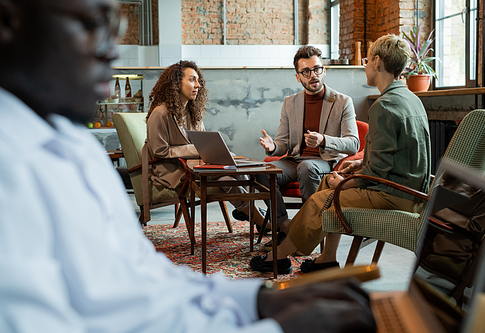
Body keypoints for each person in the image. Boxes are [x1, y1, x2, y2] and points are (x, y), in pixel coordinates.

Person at [0, 0, 377, 332]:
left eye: (114, 28)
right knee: (266, 173)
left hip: (319, 161)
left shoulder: (75, 148)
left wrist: (256, 302)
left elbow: (140, 279)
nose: (110, 49)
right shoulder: (11, 170)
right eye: (88, 22)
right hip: (197, 171)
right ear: (9, 22)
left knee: (253, 174)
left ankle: (279, 230)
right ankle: (278, 227)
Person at [250, 34, 431, 274]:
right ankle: (327, 257)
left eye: (367, 61)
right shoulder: (411, 99)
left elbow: (373, 167)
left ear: (377, 63)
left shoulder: (383, 106)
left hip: (392, 194)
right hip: (410, 189)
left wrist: (345, 182)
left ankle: (280, 256)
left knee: (319, 199)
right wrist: (357, 168)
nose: (366, 66)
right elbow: (389, 157)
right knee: (326, 182)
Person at [256, 45, 360, 247]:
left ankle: (309, 230)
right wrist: (272, 148)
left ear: (324, 70)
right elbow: (283, 143)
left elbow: (353, 144)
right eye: (306, 71)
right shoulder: (290, 103)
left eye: (317, 69)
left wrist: (324, 140)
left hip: (324, 162)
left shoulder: (343, 102)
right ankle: (285, 227)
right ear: (298, 77)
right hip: (295, 160)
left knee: (307, 167)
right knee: (264, 170)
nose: (313, 75)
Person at [145, 60, 265, 228]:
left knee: (229, 172)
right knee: (228, 177)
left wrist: (217, 153)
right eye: (192, 79)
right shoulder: (160, 113)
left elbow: (204, 144)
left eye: (198, 80)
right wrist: (196, 151)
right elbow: (159, 151)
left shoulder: (193, 112)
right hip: (171, 170)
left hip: (196, 166)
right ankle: (258, 217)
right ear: (176, 83)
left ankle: (252, 213)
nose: (198, 85)